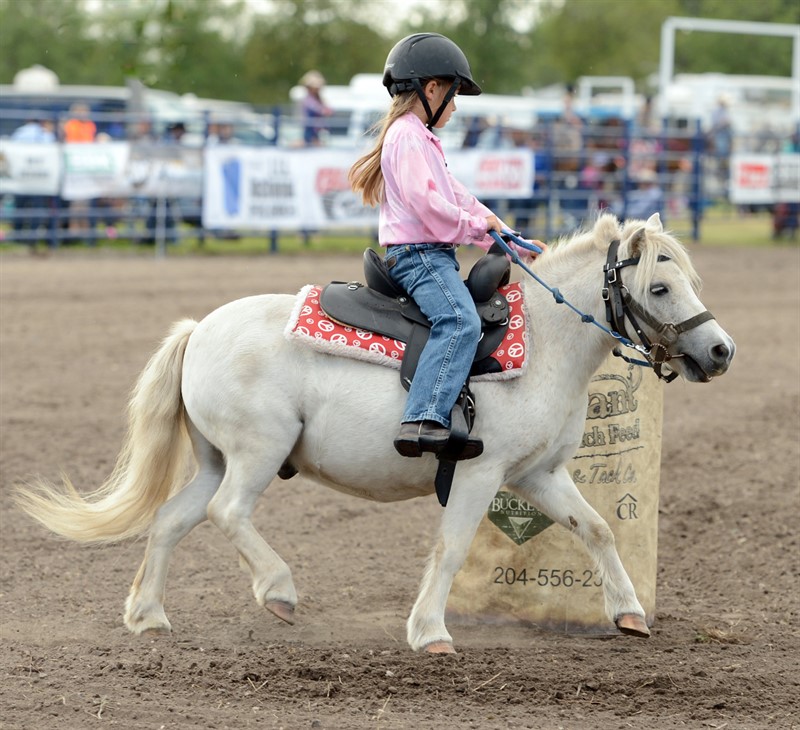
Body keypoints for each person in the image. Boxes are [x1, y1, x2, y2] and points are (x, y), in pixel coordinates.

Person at [348, 32, 545, 459]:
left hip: (427, 254)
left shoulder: (418, 138)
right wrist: (477, 228)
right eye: (454, 96)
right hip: (419, 257)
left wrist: (510, 239)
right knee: (459, 321)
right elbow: (429, 208)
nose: (454, 108)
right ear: (431, 89)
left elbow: (458, 196)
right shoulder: (407, 136)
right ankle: (423, 417)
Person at [299, 70, 332, 146]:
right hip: (311, 132)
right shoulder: (308, 100)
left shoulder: (319, 99)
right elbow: (322, 111)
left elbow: (328, 111)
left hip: (318, 131)